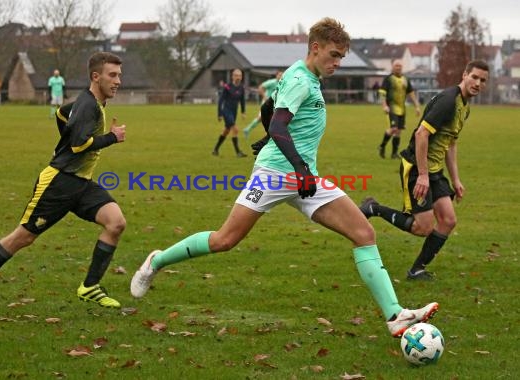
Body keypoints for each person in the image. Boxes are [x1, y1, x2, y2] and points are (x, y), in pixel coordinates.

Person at [131, 18, 438, 338]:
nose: (337, 63)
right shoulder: (300, 80)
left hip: (306, 178)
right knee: (225, 240)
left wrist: (281, 149)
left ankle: (395, 316)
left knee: (364, 233)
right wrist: (291, 159)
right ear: (315, 48)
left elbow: (269, 108)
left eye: (341, 57)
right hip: (274, 175)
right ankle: (157, 261)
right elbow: (278, 123)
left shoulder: (308, 77)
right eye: (333, 55)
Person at [0, 52, 127, 317]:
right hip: (59, 182)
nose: (118, 80)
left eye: (119, 75)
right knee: (23, 237)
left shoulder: (91, 102)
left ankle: (90, 286)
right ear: (96, 77)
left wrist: (67, 136)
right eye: (112, 75)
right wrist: (111, 137)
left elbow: (63, 114)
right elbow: (78, 145)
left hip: (82, 183)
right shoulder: (88, 105)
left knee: (116, 222)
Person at [360, 60, 489, 281]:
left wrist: (456, 179)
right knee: (423, 227)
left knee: (448, 220)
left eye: (483, 80)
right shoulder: (449, 101)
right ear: (465, 74)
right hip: (416, 167)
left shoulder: (464, 107)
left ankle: (416, 270)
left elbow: (450, 143)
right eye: (474, 77)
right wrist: (422, 175)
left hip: (435, 171)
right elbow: (421, 134)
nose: (478, 83)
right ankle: (373, 209)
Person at [378, 59, 421, 159]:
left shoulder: (405, 79)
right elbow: (382, 93)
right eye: (396, 66)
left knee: (398, 131)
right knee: (394, 128)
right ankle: (382, 146)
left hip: (402, 109)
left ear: (402, 67)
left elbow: (411, 93)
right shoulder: (388, 79)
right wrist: (384, 105)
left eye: (400, 66)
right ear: (392, 67)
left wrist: (417, 107)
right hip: (392, 108)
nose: (398, 67)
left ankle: (394, 154)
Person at [213, 69, 247, 157]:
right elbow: (221, 101)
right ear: (232, 76)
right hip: (226, 111)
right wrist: (219, 114)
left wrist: (243, 112)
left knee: (226, 131)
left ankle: (215, 150)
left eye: (240, 75)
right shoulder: (227, 87)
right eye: (236, 75)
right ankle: (238, 152)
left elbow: (242, 101)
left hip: (234, 112)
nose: (238, 77)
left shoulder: (241, 88)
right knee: (235, 129)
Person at [243, 70, 283, 139]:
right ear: (276, 76)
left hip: (275, 104)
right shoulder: (272, 82)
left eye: (282, 75)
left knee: (267, 119)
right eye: (279, 75)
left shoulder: (282, 83)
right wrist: (265, 97)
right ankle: (248, 130)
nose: (281, 76)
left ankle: (248, 130)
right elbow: (260, 88)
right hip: (267, 103)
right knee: (264, 119)